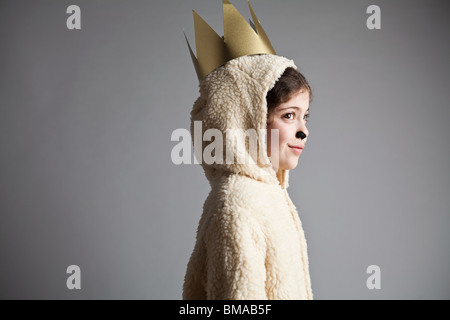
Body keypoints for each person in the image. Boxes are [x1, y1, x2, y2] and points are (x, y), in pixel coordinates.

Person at [182, 0, 313, 300]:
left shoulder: (269, 195)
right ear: (244, 122)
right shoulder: (237, 207)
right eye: (288, 115)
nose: (303, 130)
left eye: (305, 116)